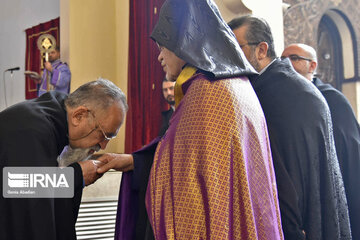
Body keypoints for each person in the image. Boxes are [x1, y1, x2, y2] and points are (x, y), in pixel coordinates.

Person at [97, 0, 284, 239]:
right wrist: (133, 161)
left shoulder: (205, 93)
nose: (159, 57)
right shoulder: (236, 84)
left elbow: (185, 188)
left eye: (163, 46)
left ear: (185, 41)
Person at [228, 16, 352, 240]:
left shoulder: (280, 93)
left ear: (261, 50)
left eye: (236, 48)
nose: (230, 57)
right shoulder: (280, 85)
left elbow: (286, 172)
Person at [0, 78, 128, 240]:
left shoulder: (53, 120)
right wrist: (76, 176)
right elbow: (17, 185)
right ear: (79, 116)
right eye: (104, 135)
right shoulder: (31, 130)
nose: (103, 146)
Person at [282, 43, 360, 239]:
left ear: (312, 66)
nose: (286, 63)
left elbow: (348, 148)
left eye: (293, 58)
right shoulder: (285, 100)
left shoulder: (332, 99)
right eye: (283, 59)